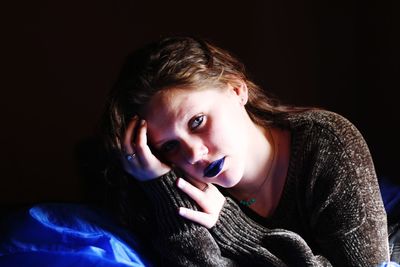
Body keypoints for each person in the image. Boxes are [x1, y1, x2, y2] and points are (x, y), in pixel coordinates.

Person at [101, 36, 390, 266]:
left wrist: (230, 225)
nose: (193, 154)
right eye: (170, 146)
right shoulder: (183, 182)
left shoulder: (326, 142)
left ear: (236, 90)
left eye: (197, 121)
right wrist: (159, 183)